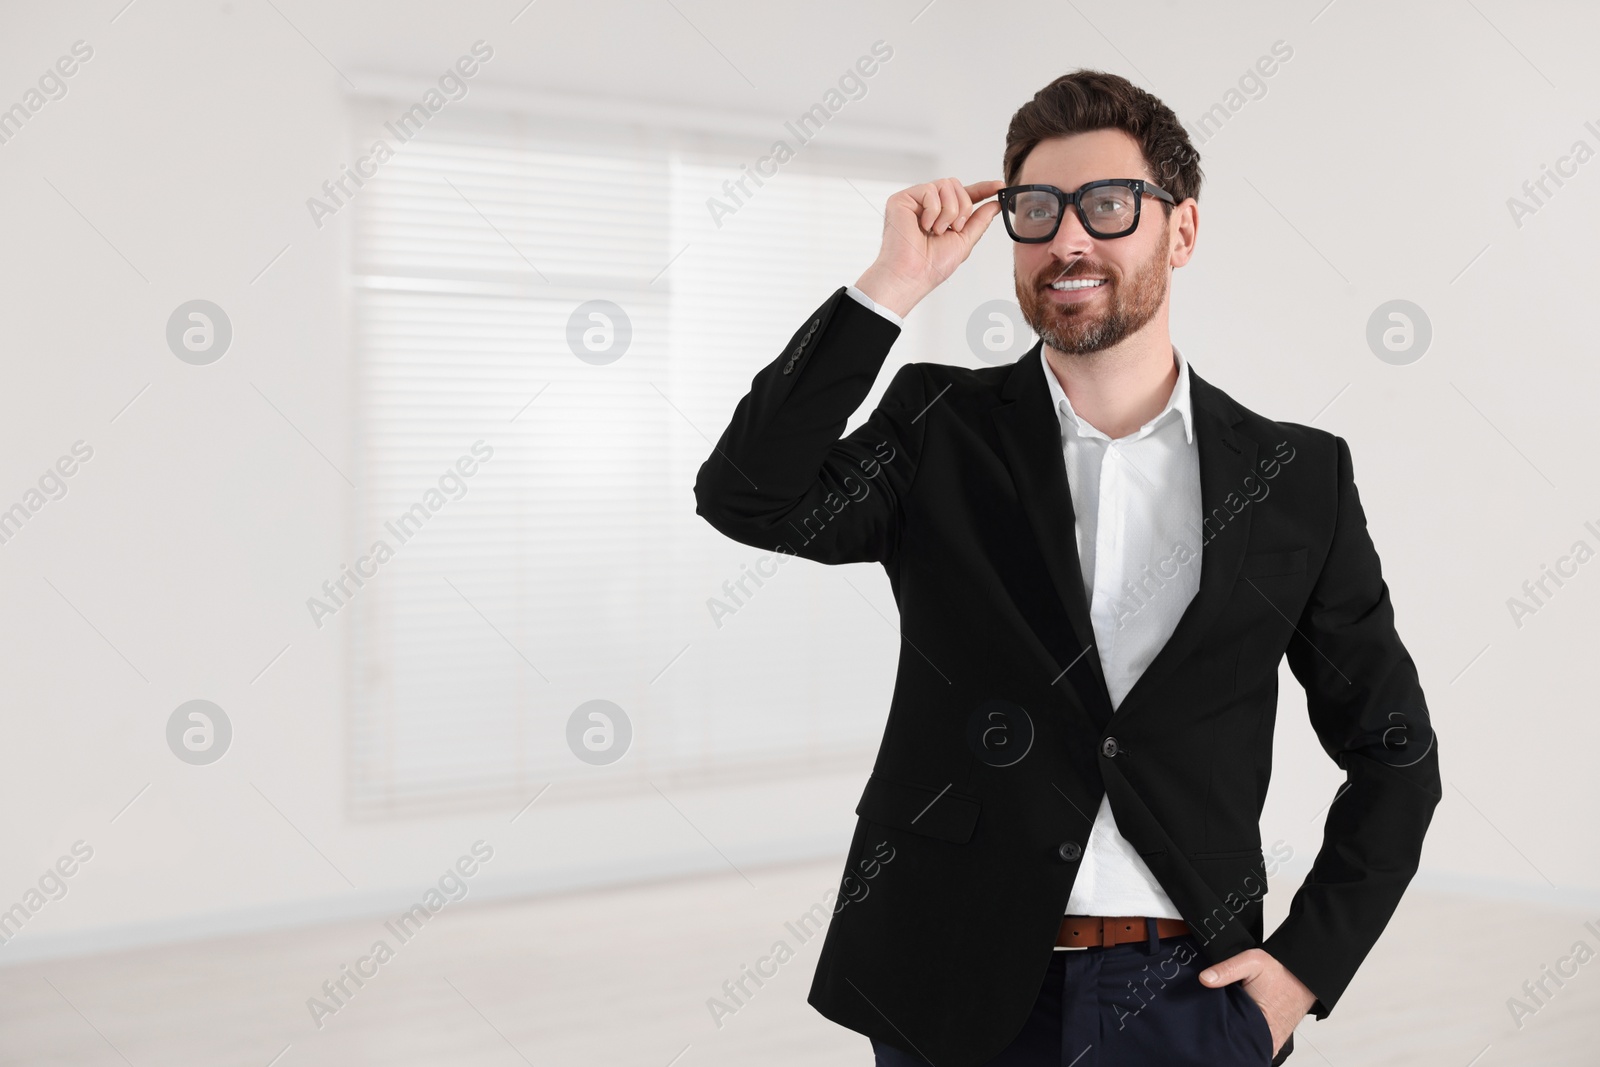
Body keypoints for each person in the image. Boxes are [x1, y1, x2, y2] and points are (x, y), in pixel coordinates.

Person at [692, 69, 1440, 1067]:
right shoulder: (936, 427)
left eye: (1109, 206)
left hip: (1187, 992)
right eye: (1037, 211)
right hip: (949, 976)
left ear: (1181, 232)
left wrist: (1303, 967)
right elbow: (748, 494)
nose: (1068, 239)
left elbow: (1392, 747)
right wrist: (892, 286)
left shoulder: (1294, 474)